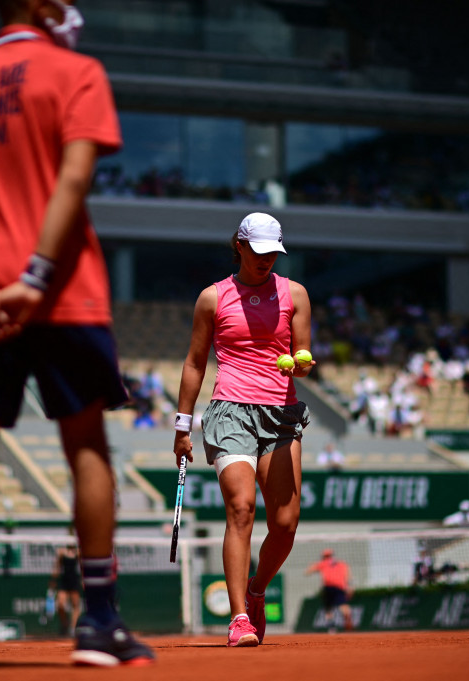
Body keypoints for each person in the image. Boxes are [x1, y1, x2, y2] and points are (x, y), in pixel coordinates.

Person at [0, 0, 153, 670]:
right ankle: (99, 621)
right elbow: (74, 176)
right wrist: (35, 276)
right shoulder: (77, 73)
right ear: (45, 7)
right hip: (63, 292)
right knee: (86, 445)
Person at [172, 212, 313, 648]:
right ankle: (238, 619)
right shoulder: (212, 298)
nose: (266, 259)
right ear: (240, 246)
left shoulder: (295, 293)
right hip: (230, 411)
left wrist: (302, 365)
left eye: (273, 252)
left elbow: (303, 356)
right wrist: (182, 426)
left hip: (281, 414)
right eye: (258, 251)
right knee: (241, 508)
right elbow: (195, 362)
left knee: (285, 523)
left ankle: (256, 590)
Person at [305, 548, 353, 633]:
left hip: (328, 587)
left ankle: (331, 627)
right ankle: (347, 619)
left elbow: (307, 572)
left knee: (328, 608)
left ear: (323, 556)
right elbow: (348, 576)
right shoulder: (342, 564)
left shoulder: (323, 563)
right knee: (343, 605)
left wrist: (312, 565)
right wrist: (349, 587)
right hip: (340, 587)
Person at [51, 543, 82, 636]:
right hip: (64, 580)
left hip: (74, 581)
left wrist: (83, 579)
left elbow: (82, 567)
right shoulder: (61, 552)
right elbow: (57, 566)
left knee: (75, 605)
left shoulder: (78, 552)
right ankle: (65, 624)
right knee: (60, 604)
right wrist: (53, 579)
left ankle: (72, 628)